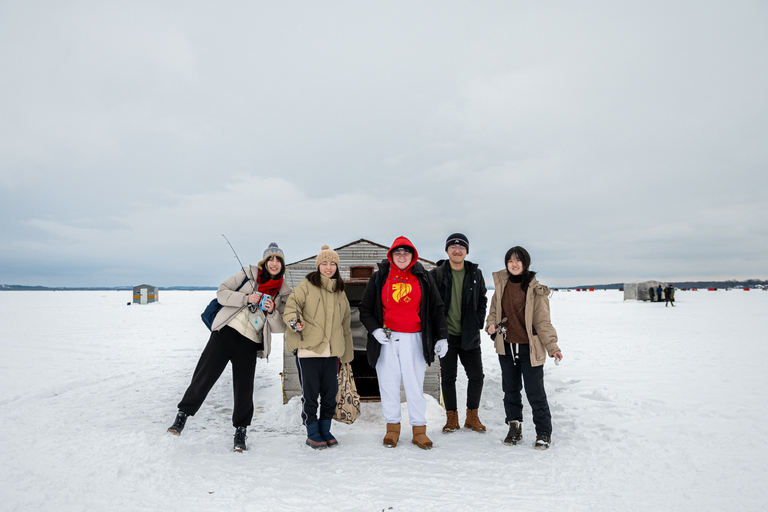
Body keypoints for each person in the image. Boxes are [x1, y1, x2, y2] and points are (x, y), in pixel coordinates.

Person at [167, 243, 291, 452]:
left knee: (244, 388)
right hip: (225, 333)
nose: (274, 263)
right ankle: (182, 416)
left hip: (250, 342)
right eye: (270, 259)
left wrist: (273, 311)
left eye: (278, 260)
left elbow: (280, 328)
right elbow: (221, 293)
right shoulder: (247, 274)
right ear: (264, 262)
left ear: (282, 265)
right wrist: (246, 298)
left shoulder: (283, 293)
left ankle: (240, 432)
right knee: (204, 376)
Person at [359, 236, 449, 450]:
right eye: (397, 253)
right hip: (387, 339)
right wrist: (375, 329)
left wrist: (442, 336)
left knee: (414, 385)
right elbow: (365, 308)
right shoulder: (379, 277)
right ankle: (392, 429)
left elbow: (437, 309)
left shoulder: (424, 277)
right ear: (391, 255)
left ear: (412, 255)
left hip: (414, 339)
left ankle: (419, 430)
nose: (402, 257)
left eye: (406, 253)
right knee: (388, 384)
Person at [486, 246, 563, 450]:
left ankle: (543, 433)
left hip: (530, 350)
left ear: (525, 263)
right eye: (510, 260)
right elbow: (493, 312)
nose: (514, 263)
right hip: (507, 347)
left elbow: (543, 322)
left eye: (518, 260)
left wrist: (552, 347)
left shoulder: (535, 290)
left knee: (535, 393)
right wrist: (491, 325)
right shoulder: (501, 286)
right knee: (510, 391)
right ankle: (514, 428)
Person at [283, 245, 353, 450]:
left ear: (337, 267)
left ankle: (325, 429)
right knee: (311, 394)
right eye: (324, 263)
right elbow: (291, 308)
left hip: (332, 352)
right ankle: (312, 432)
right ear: (318, 265)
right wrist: (295, 322)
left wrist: (347, 355)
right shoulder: (306, 285)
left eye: (332, 263)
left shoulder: (340, 291)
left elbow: (345, 325)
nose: (328, 267)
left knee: (330, 395)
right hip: (308, 349)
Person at [429, 233, 488, 434]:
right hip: (446, 336)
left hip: (469, 334)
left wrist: (479, 320)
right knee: (448, 377)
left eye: (461, 247)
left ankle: (472, 416)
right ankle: (451, 418)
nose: (457, 250)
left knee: (477, 376)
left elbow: (482, 298)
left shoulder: (474, 273)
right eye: (453, 247)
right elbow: (429, 303)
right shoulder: (437, 273)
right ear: (447, 250)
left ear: (466, 251)